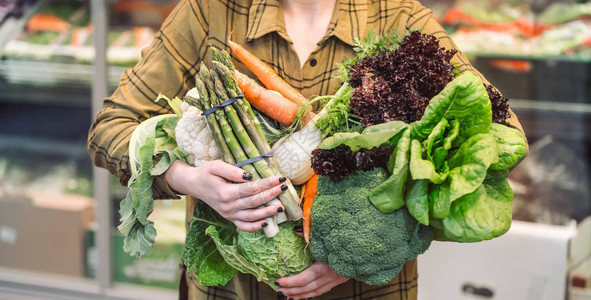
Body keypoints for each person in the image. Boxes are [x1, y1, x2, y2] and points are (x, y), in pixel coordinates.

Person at [88, 0, 526, 299]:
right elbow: (110, 129)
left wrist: (362, 250)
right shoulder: (210, 11)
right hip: (231, 292)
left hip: (366, 292)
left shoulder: (397, 15)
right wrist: (190, 181)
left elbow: (498, 132)